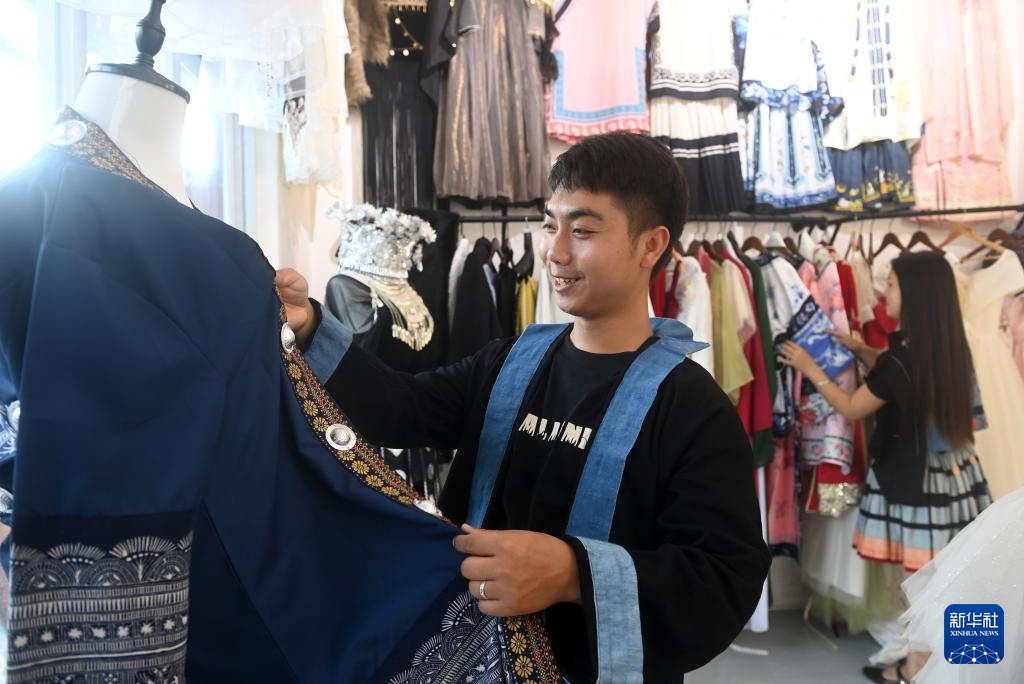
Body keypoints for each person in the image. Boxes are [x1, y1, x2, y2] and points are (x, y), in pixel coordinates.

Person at [276, 132, 771, 682]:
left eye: (583, 230)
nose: (555, 252)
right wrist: (310, 327)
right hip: (472, 660)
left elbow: (724, 578)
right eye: (550, 224)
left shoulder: (692, 409)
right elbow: (399, 407)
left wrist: (573, 573)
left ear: (650, 246)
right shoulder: (509, 363)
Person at [778, 251, 992, 683]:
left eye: (891, 284)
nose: (884, 293)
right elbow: (911, 379)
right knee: (957, 579)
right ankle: (972, 665)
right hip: (959, 478)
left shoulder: (900, 361)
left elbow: (851, 406)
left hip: (916, 484)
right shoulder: (949, 348)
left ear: (913, 294)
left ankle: (915, 670)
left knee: (918, 584)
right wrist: (862, 349)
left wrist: (810, 367)